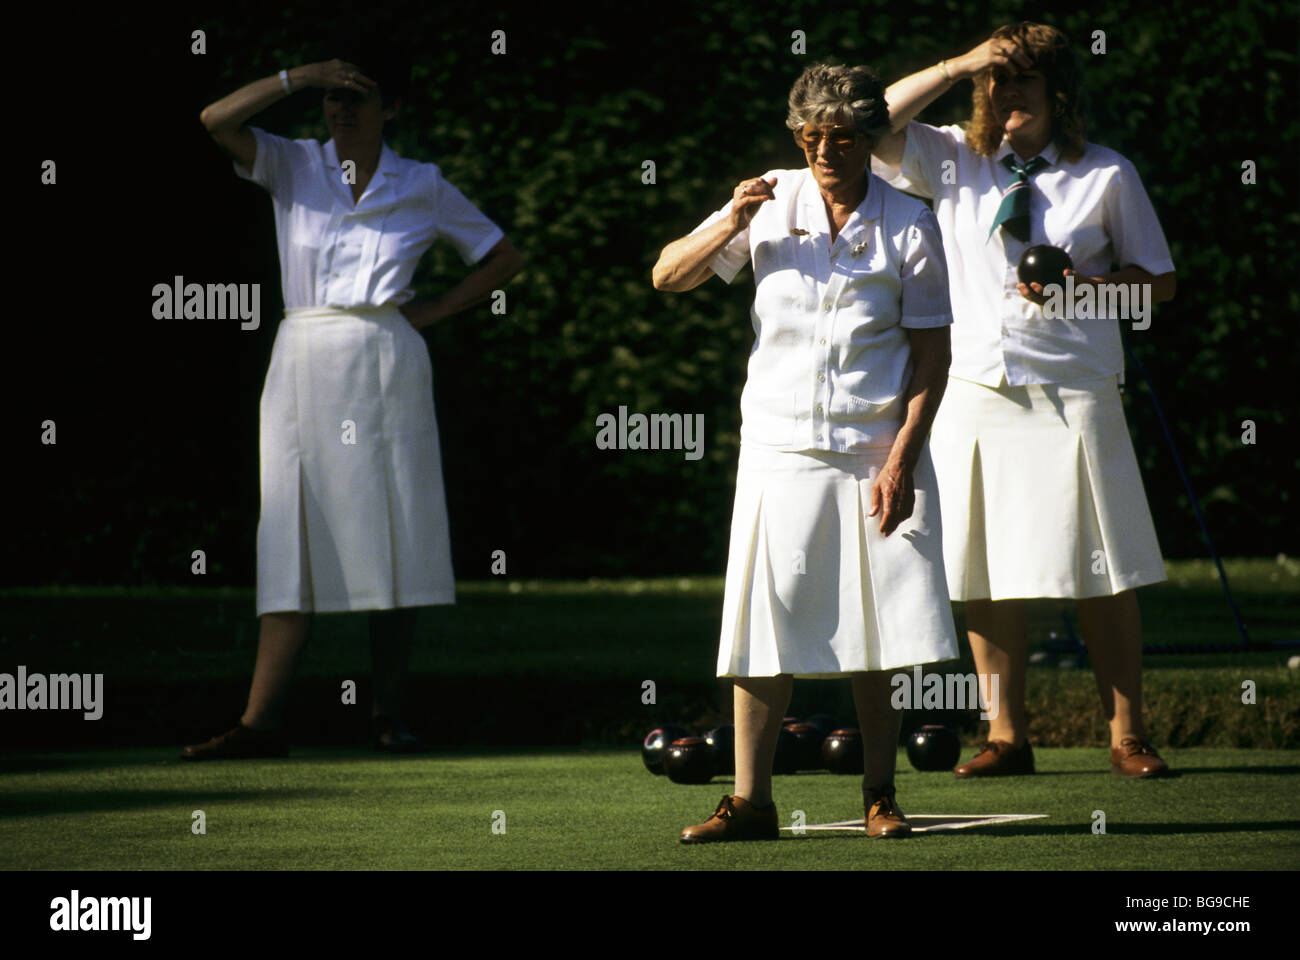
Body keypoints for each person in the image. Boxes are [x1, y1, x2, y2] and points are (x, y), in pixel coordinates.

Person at [182, 41, 523, 759]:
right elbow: (215, 119)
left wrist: (430, 311)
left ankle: (387, 716)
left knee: (392, 533)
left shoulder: (420, 182)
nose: (340, 109)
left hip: (385, 362)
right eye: (333, 97)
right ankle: (258, 725)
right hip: (303, 363)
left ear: (389, 107)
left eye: (356, 96)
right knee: (290, 533)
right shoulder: (293, 164)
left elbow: (501, 256)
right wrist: (296, 77)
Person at [653, 63, 958, 842]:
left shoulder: (910, 222)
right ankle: (751, 803)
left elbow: (932, 358)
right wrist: (729, 219)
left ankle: (881, 795)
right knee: (762, 623)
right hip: (778, 447)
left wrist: (902, 460)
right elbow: (667, 277)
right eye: (810, 135)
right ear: (797, 135)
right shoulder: (765, 202)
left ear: (869, 140)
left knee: (879, 627)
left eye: (842, 137)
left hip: (873, 449)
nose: (824, 150)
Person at [871, 21, 1175, 778]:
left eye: (1023, 81)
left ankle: (1127, 734)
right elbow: (871, 121)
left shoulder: (1106, 175)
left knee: (1102, 570)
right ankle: (1005, 735)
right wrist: (960, 59)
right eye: (995, 82)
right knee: (985, 569)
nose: (1005, 94)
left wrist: (1084, 289)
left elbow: (1157, 284)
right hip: (976, 388)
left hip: (1074, 390)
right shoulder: (951, 161)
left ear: (1057, 93)